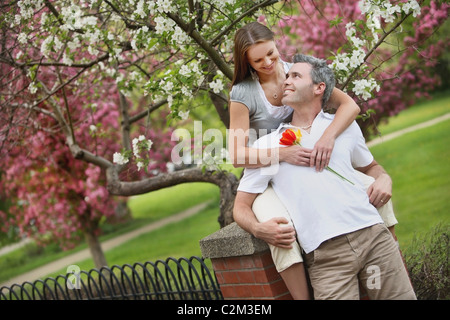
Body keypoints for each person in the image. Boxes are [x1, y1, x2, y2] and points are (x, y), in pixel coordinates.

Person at [228, 22, 398, 299]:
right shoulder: (243, 93)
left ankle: (392, 265)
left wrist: (327, 138)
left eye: (271, 53)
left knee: (373, 185)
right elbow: (236, 155)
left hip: (308, 156)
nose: (269, 63)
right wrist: (282, 154)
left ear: (275, 43)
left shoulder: (296, 73)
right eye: (258, 60)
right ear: (245, 61)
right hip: (267, 166)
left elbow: (350, 106)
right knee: (279, 227)